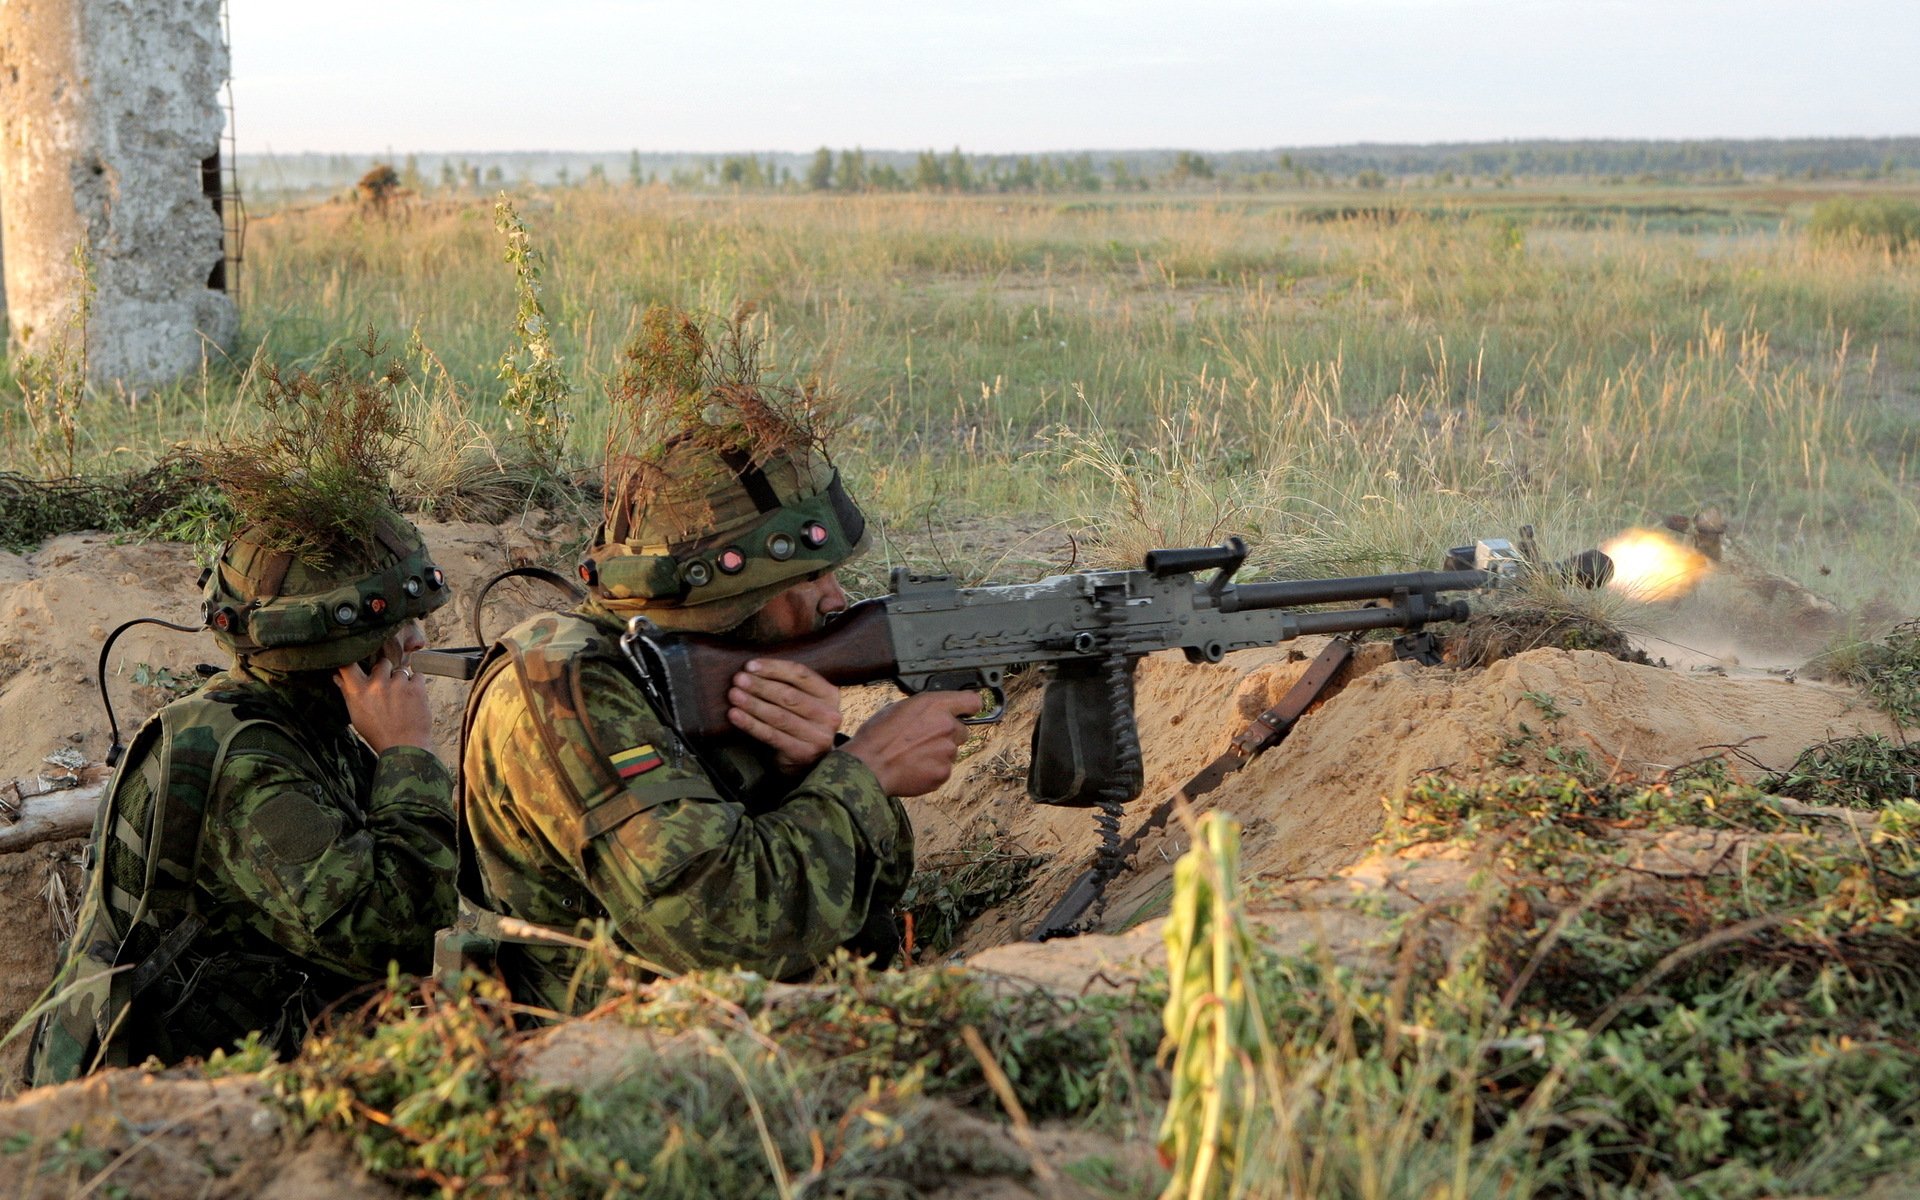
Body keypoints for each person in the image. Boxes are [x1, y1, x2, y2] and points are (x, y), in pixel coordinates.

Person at [459, 435, 976, 1011]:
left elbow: (869, 890)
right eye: (810, 577)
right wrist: (862, 772)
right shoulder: (575, 695)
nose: (836, 599)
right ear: (731, 590)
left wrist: (804, 772)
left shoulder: (717, 671)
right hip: (622, 1070)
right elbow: (723, 931)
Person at [30, 511, 460, 1083]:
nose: (418, 641)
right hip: (142, 1112)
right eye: (397, 628)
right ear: (330, 644)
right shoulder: (250, 768)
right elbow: (399, 935)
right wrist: (410, 753)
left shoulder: (297, 721)